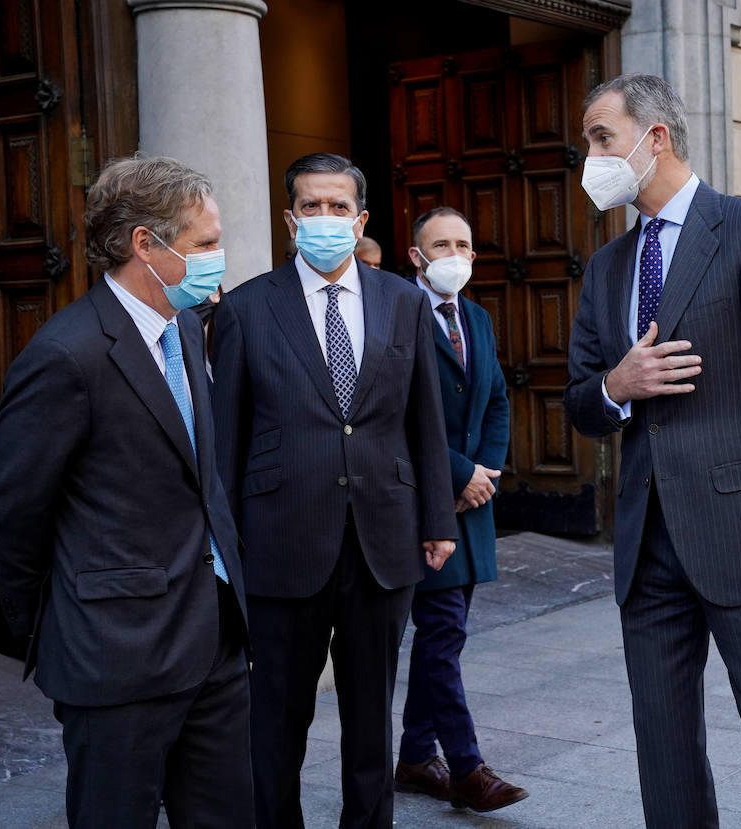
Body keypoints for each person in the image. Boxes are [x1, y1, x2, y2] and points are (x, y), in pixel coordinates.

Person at [564, 73, 741, 828]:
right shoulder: (609, 265)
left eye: (601, 138)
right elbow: (581, 402)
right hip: (646, 549)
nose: (590, 158)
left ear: (656, 138)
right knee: (664, 747)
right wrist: (618, 384)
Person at [0, 155, 252, 828]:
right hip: (117, 659)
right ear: (144, 246)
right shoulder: (65, 355)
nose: (220, 258)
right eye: (206, 244)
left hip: (214, 639)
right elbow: (11, 513)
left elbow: (200, 476)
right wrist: (59, 628)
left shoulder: (187, 326)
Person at [212, 152, 457, 829]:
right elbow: (225, 444)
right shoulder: (245, 310)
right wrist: (224, 551)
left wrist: (438, 516)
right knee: (276, 722)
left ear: (361, 218)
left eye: (337, 207)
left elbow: (424, 420)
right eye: (311, 207)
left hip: (383, 537)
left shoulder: (403, 303)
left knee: (370, 723)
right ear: (290, 219)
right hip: (279, 543)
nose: (325, 218)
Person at [392, 207, 527, 812]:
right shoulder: (393, 311)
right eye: (439, 244)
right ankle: (467, 767)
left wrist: (485, 474)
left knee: (445, 634)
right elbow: (392, 413)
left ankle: (417, 756)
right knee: (442, 632)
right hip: (419, 500)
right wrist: (457, 473)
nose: (453, 254)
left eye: (463, 245)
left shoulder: (476, 316)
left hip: (472, 504)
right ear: (416, 257)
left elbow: (496, 399)